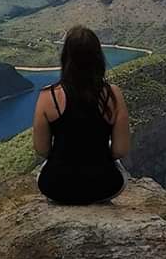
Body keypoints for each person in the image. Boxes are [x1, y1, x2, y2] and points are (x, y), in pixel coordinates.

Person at [33, 25, 131, 205]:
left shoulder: (48, 96)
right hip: (105, 186)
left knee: (47, 166)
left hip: (56, 188)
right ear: (98, 58)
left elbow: (42, 149)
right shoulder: (113, 95)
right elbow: (120, 150)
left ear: (66, 58)